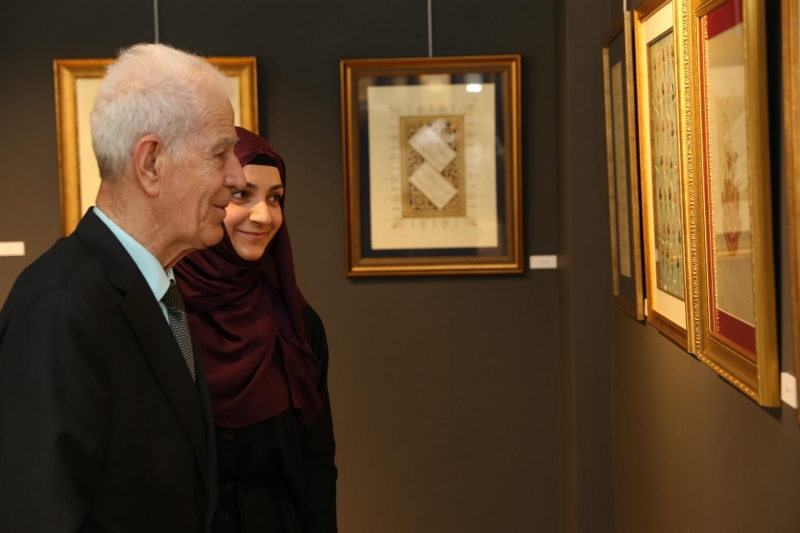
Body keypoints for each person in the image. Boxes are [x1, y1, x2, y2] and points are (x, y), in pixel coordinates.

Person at [0, 43, 246, 532]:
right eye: (220, 152)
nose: (236, 176)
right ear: (151, 163)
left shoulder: (157, 290)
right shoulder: (60, 308)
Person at [174, 127, 338, 532]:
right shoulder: (158, 318)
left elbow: (316, 467)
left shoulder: (298, 325)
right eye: (241, 194)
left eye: (275, 198)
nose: (264, 216)